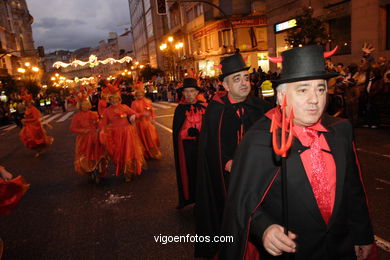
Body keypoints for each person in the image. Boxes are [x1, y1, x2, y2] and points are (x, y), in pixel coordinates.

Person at [220, 45, 374, 260]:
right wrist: (264, 228)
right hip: (292, 253)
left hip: (341, 248)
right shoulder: (260, 139)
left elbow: (352, 188)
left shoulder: (341, 130)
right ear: (282, 96)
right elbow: (241, 201)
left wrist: (363, 234)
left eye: (320, 89)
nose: (315, 99)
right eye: (303, 90)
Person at [195, 53, 272, 258]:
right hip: (229, 178)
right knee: (235, 217)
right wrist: (228, 162)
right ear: (226, 86)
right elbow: (210, 147)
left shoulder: (259, 107)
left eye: (245, 78)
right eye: (236, 79)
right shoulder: (215, 111)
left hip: (258, 175)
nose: (244, 83)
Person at [99, 82, 146, 182]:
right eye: (112, 100)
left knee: (128, 152)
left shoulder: (124, 107)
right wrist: (102, 132)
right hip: (115, 135)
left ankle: (128, 172)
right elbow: (104, 123)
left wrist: (134, 116)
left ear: (119, 99)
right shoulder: (107, 111)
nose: (114, 101)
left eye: (116, 99)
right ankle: (124, 170)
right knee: (119, 153)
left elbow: (134, 114)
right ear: (109, 100)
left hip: (127, 133)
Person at [172, 78, 207, 209]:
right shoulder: (180, 110)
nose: (189, 94)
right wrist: (187, 132)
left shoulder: (205, 106)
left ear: (197, 92)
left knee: (203, 173)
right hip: (186, 149)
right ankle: (190, 198)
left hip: (203, 146)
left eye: (192, 91)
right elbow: (177, 133)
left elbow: (211, 127)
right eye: (186, 92)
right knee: (189, 173)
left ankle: (203, 200)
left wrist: (199, 131)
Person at [70, 91, 108, 184]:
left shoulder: (93, 114)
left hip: (95, 137)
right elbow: (72, 128)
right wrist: (82, 131)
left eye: (87, 104)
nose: (86, 106)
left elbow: (99, 123)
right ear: (80, 106)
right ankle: (89, 170)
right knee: (86, 156)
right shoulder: (77, 116)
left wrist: (100, 129)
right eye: (83, 105)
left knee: (97, 155)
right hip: (84, 139)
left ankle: (97, 172)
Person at [131, 83, 162, 160]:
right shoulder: (134, 103)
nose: (140, 96)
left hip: (148, 123)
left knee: (152, 138)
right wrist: (142, 114)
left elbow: (151, 111)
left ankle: (153, 152)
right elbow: (134, 114)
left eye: (141, 94)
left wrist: (153, 119)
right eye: (138, 95)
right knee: (143, 139)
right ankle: (146, 154)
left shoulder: (148, 101)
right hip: (140, 124)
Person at [19, 91, 54, 157]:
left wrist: (25, 120)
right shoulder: (27, 109)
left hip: (34, 125)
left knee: (35, 138)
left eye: (28, 102)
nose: (28, 104)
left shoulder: (33, 109)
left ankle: (39, 150)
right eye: (26, 103)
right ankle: (37, 150)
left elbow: (35, 118)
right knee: (29, 139)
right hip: (29, 126)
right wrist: (24, 121)